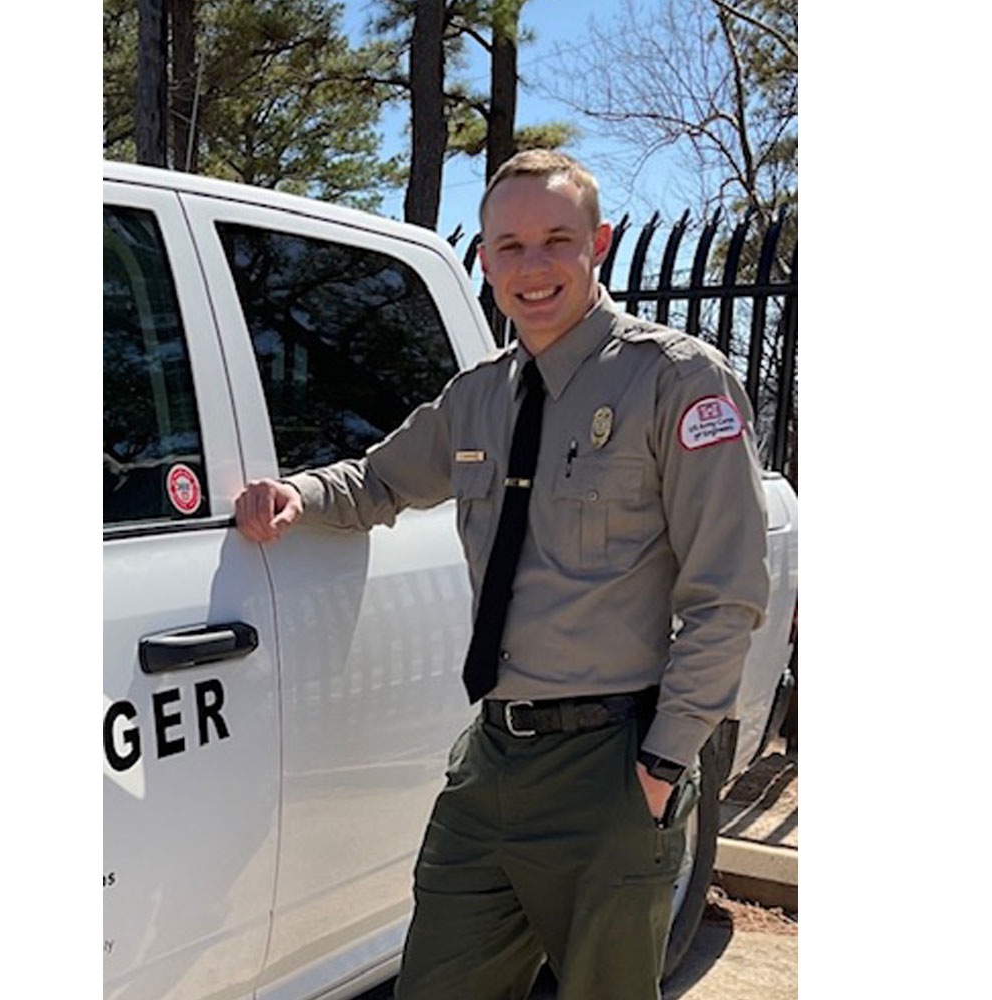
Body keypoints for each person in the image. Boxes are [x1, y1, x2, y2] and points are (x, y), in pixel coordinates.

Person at [235, 150, 769, 1000]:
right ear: (485, 262)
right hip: (492, 758)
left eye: (556, 239)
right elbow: (378, 480)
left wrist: (663, 763)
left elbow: (727, 592)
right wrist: (292, 494)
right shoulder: (478, 397)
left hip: (613, 763)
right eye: (510, 246)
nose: (534, 266)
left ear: (595, 243)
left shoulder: (674, 381)